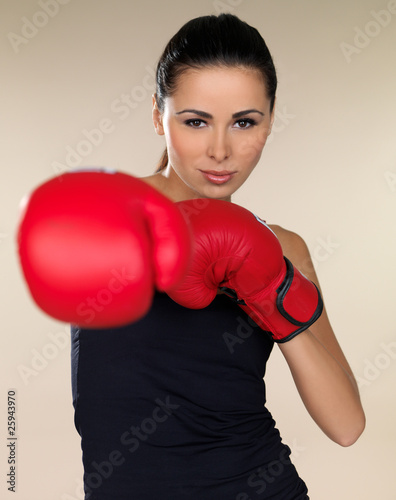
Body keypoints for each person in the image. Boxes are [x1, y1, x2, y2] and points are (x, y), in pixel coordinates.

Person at [18, 13, 365, 500]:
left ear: (269, 122)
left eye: (244, 122)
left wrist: (272, 293)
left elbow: (347, 424)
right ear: (158, 115)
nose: (221, 149)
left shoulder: (282, 247)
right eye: (196, 121)